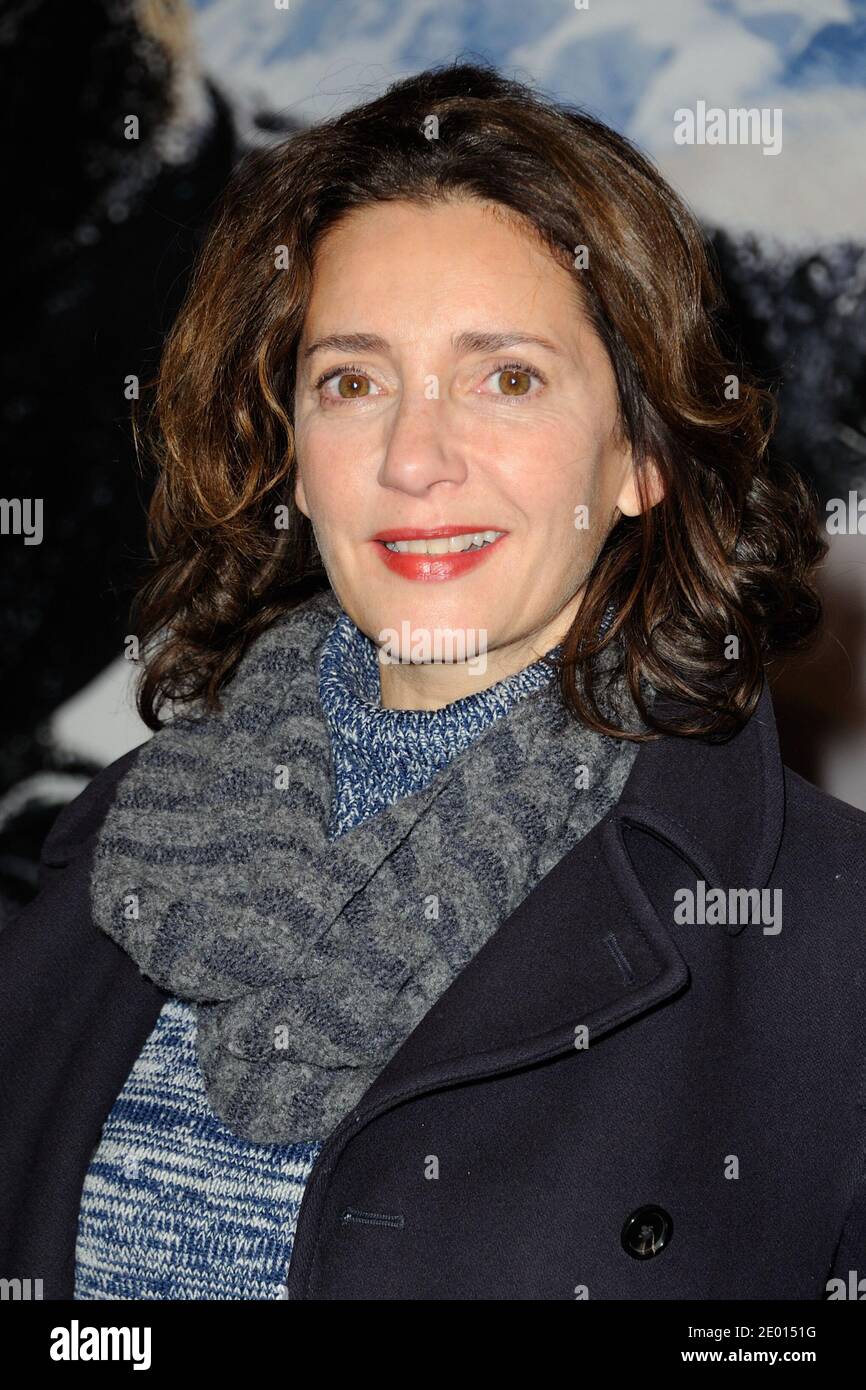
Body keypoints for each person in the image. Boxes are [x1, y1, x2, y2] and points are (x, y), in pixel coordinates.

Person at [2, 60, 864, 1303]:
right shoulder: (106, 846)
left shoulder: (826, 942)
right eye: (350, 381)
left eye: (505, 378)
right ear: (293, 457)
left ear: (641, 457)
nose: (413, 458)